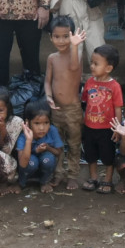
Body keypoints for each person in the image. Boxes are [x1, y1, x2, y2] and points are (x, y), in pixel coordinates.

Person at [45, 17, 87, 190]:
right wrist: (48, 96)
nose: (61, 41)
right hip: (56, 109)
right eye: (57, 36)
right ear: (51, 37)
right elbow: (48, 81)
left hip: (72, 110)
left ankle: (72, 175)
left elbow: (73, 68)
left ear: (71, 37)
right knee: (57, 143)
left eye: (65, 36)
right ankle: (59, 173)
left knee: (74, 144)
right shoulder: (52, 58)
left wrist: (75, 46)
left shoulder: (75, 56)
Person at [80, 44, 123, 194]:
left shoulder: (114, 86)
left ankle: (108, 180)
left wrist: (117, 128)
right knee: (90, 155)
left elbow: (118, 108)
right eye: (91, 62)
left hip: (107, 129)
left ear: (108, 68)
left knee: (108, 155)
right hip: (89, 127)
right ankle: (93, 178)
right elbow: (85, 103)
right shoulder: (89, 82)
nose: (92, 66)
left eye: (96, 63)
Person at [15, 100, 63, 193]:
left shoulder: (52, 131)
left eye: (46, 123)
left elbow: (58, 152)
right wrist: (29, 140)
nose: (42, 128)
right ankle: (22, 183)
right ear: (28, 123)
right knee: (32, 162)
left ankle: (44, 181)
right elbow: (23, 164)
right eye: (37, 123)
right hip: (29, 164)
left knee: (49, 159)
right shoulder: (23, 136)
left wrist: (48, 148)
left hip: (44, 160)